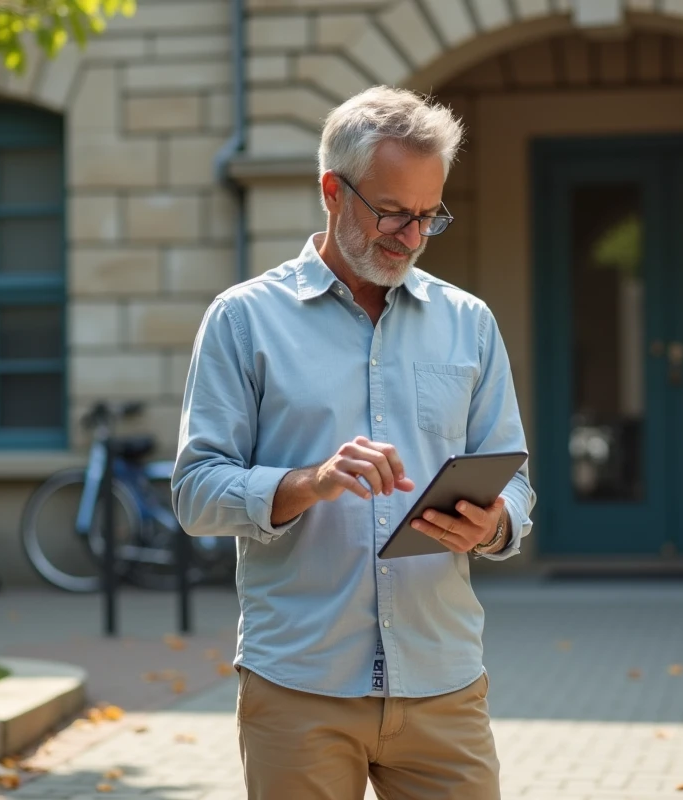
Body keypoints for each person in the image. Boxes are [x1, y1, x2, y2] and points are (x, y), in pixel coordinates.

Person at [172, 85, 535, 800]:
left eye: (429, 216)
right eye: (393, 212)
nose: (411, 235)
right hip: (299, 687)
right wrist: (310, 482)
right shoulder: (243, 320)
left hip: (444, 684)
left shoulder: (470, 323)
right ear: (332, 191)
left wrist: (494, 525)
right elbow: (194, 493)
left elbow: (515, 483)